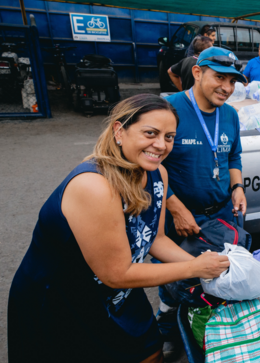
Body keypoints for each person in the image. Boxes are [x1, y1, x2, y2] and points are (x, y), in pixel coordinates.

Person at [7, 94, 230, 363]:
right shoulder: (94, 186)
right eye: (150, 133)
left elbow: (155, 239)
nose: (161, 145)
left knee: (150, 350)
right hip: (63, 300)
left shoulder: (157, 173)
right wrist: (194, 269)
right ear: (119, 131)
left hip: (117, 291)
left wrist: (211, 267)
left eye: (169, 137)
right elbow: (117, 273)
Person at [156, 46, 248, 358]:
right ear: (197, 73)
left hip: (220, 213)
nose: (227, 87)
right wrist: (174, 206)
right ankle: (167, 327)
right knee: (174, 277)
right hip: (179, 217)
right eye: (219, 77)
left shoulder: (231, 115)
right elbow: (152, 163)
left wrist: (237, 186)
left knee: (214, 275)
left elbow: (233, 154)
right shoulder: (170, 109)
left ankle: (209, 330)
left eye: (232, 81)